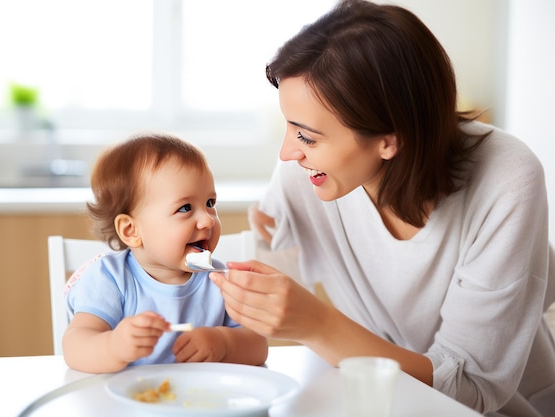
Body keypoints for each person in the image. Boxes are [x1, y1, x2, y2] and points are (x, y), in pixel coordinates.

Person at [208, 1, 555, 416]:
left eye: (307, 137)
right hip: (373, 400)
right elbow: (267, 256)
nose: (286, 153)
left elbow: (471, 388)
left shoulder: (506, 178)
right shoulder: (309, 170)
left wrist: (315, 323)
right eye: (290, 128)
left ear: (388, 140)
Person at [63, 132, 268, 373]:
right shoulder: (109, 277)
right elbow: (74, 346)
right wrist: (114, 346)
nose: (207, 220)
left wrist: (223, 343)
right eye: (185, 208)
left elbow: (258, 347)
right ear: (131, 230)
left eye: (210, 203)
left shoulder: (219, 280)